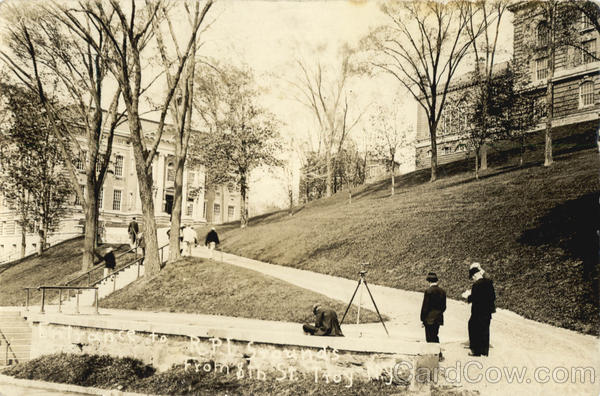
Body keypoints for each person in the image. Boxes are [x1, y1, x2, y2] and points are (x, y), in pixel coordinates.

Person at [462, 262, 496, 357]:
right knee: (485, 329)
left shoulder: (476, 285)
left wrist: (467, 296)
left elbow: (474, 298)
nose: (472, 278)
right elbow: (493, 297)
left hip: (478, 312)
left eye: (472, 276)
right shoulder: (489, 283)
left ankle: (476, 350)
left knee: (473, 328)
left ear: (476, 274)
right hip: (487, 311)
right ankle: (484, 351)